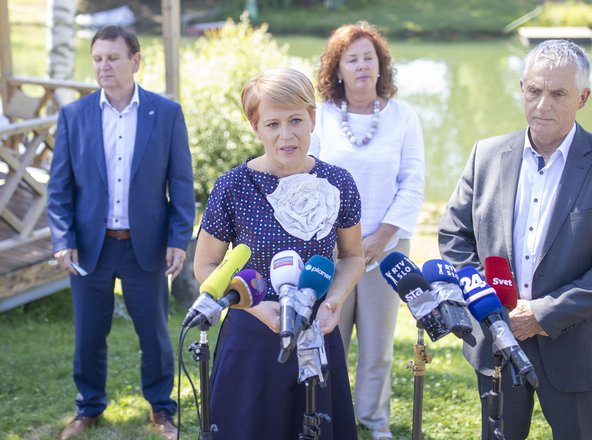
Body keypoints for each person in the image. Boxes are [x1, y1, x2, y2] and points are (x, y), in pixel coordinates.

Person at [439, 39, 592, 440]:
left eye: (558, 93)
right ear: (521, 88)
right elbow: (454, 236)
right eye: (534, 91)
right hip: (497, 337)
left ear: (582, 97)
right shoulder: (486, 155)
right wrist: (489, 302)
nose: (542, 104)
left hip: (576, 346)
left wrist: (541, 315)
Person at [194, 68, 364, 440]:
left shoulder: (339, 183)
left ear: (313, 118)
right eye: (272, 124)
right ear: (256, 128)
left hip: (316, 333)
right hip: (250, 340)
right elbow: (205, 265)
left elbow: (352, 255)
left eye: (296, 121)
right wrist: (253, 307)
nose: (286, 135)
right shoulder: (232, 187)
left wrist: (333, 301)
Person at [47, 25, 195, 440]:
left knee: (155, 337)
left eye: (112, 57)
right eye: (97, 59)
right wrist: (63, 241)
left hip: (144, 248)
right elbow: (58, 188)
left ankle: (162, 411)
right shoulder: (74, 116)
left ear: (135, 60)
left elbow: (181, 183)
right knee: (89, 337)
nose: (104, 66)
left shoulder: (165, 114)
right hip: (89, 249)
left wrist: (177, 239)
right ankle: (88, 408)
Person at [309, 21, 425, 440]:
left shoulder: (403, 117)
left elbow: (412, 183)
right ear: (337, 69)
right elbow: (309, 179)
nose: (361, 66)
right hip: (332, 252)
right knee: (328, 337)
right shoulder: (320, 116)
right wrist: (341, 243)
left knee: (377, 347)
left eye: (368, 58)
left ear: (381, 67)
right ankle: (327, 414)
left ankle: (374, 422)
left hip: (387, 249)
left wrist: (379, 238)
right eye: (351, 58)